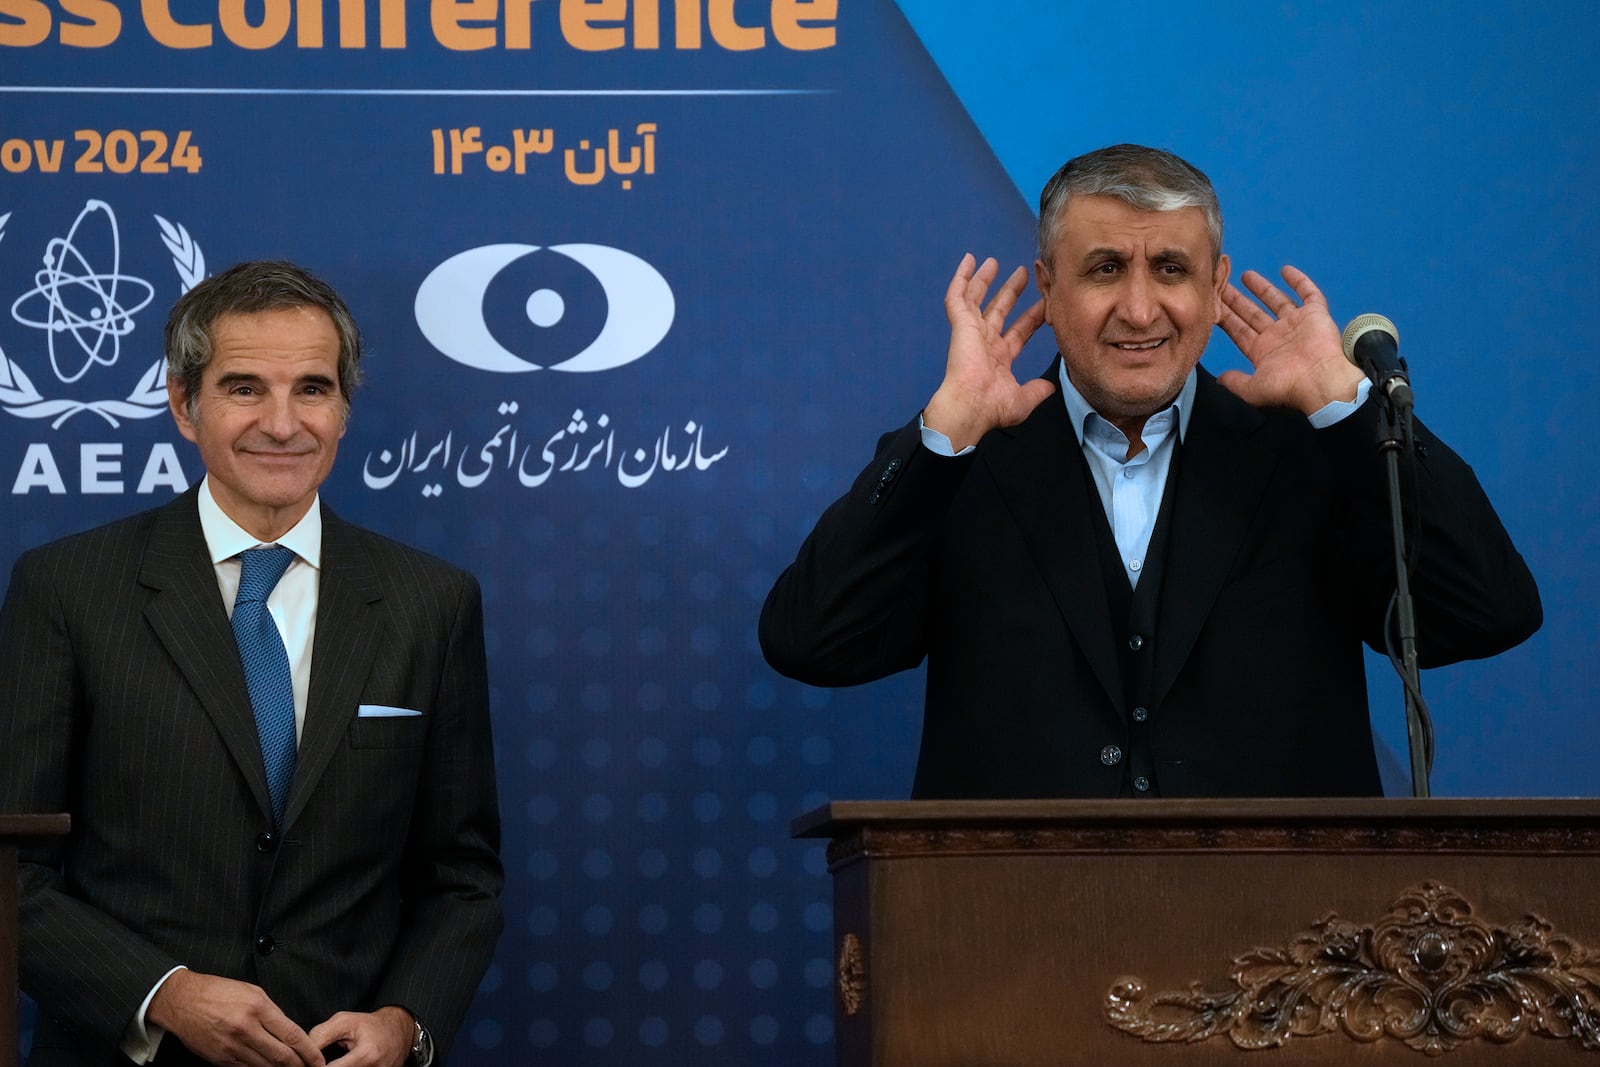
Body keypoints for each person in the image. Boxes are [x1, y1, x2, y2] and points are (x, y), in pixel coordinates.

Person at [760, 144, 1541, 799]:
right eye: (1104, 269)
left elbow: (1485, 611)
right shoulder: (959, 462)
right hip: (1014, 943)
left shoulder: (1311, 452)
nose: (1140, 310)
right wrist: (946, 427)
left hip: (1290, 951)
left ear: (1213, 286)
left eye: (1170, 268)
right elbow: (812, 641)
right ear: (1048, 288)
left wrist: (1349, 409)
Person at [0, 261, 504, 1067]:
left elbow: (461, 873)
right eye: (244, 388)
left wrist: (404, 1021)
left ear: (343, 408)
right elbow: (10, 867)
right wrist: (164, 992)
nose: (282, 422)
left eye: (312, 388)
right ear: (182, 403)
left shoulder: (431, 602)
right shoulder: (67, 588)